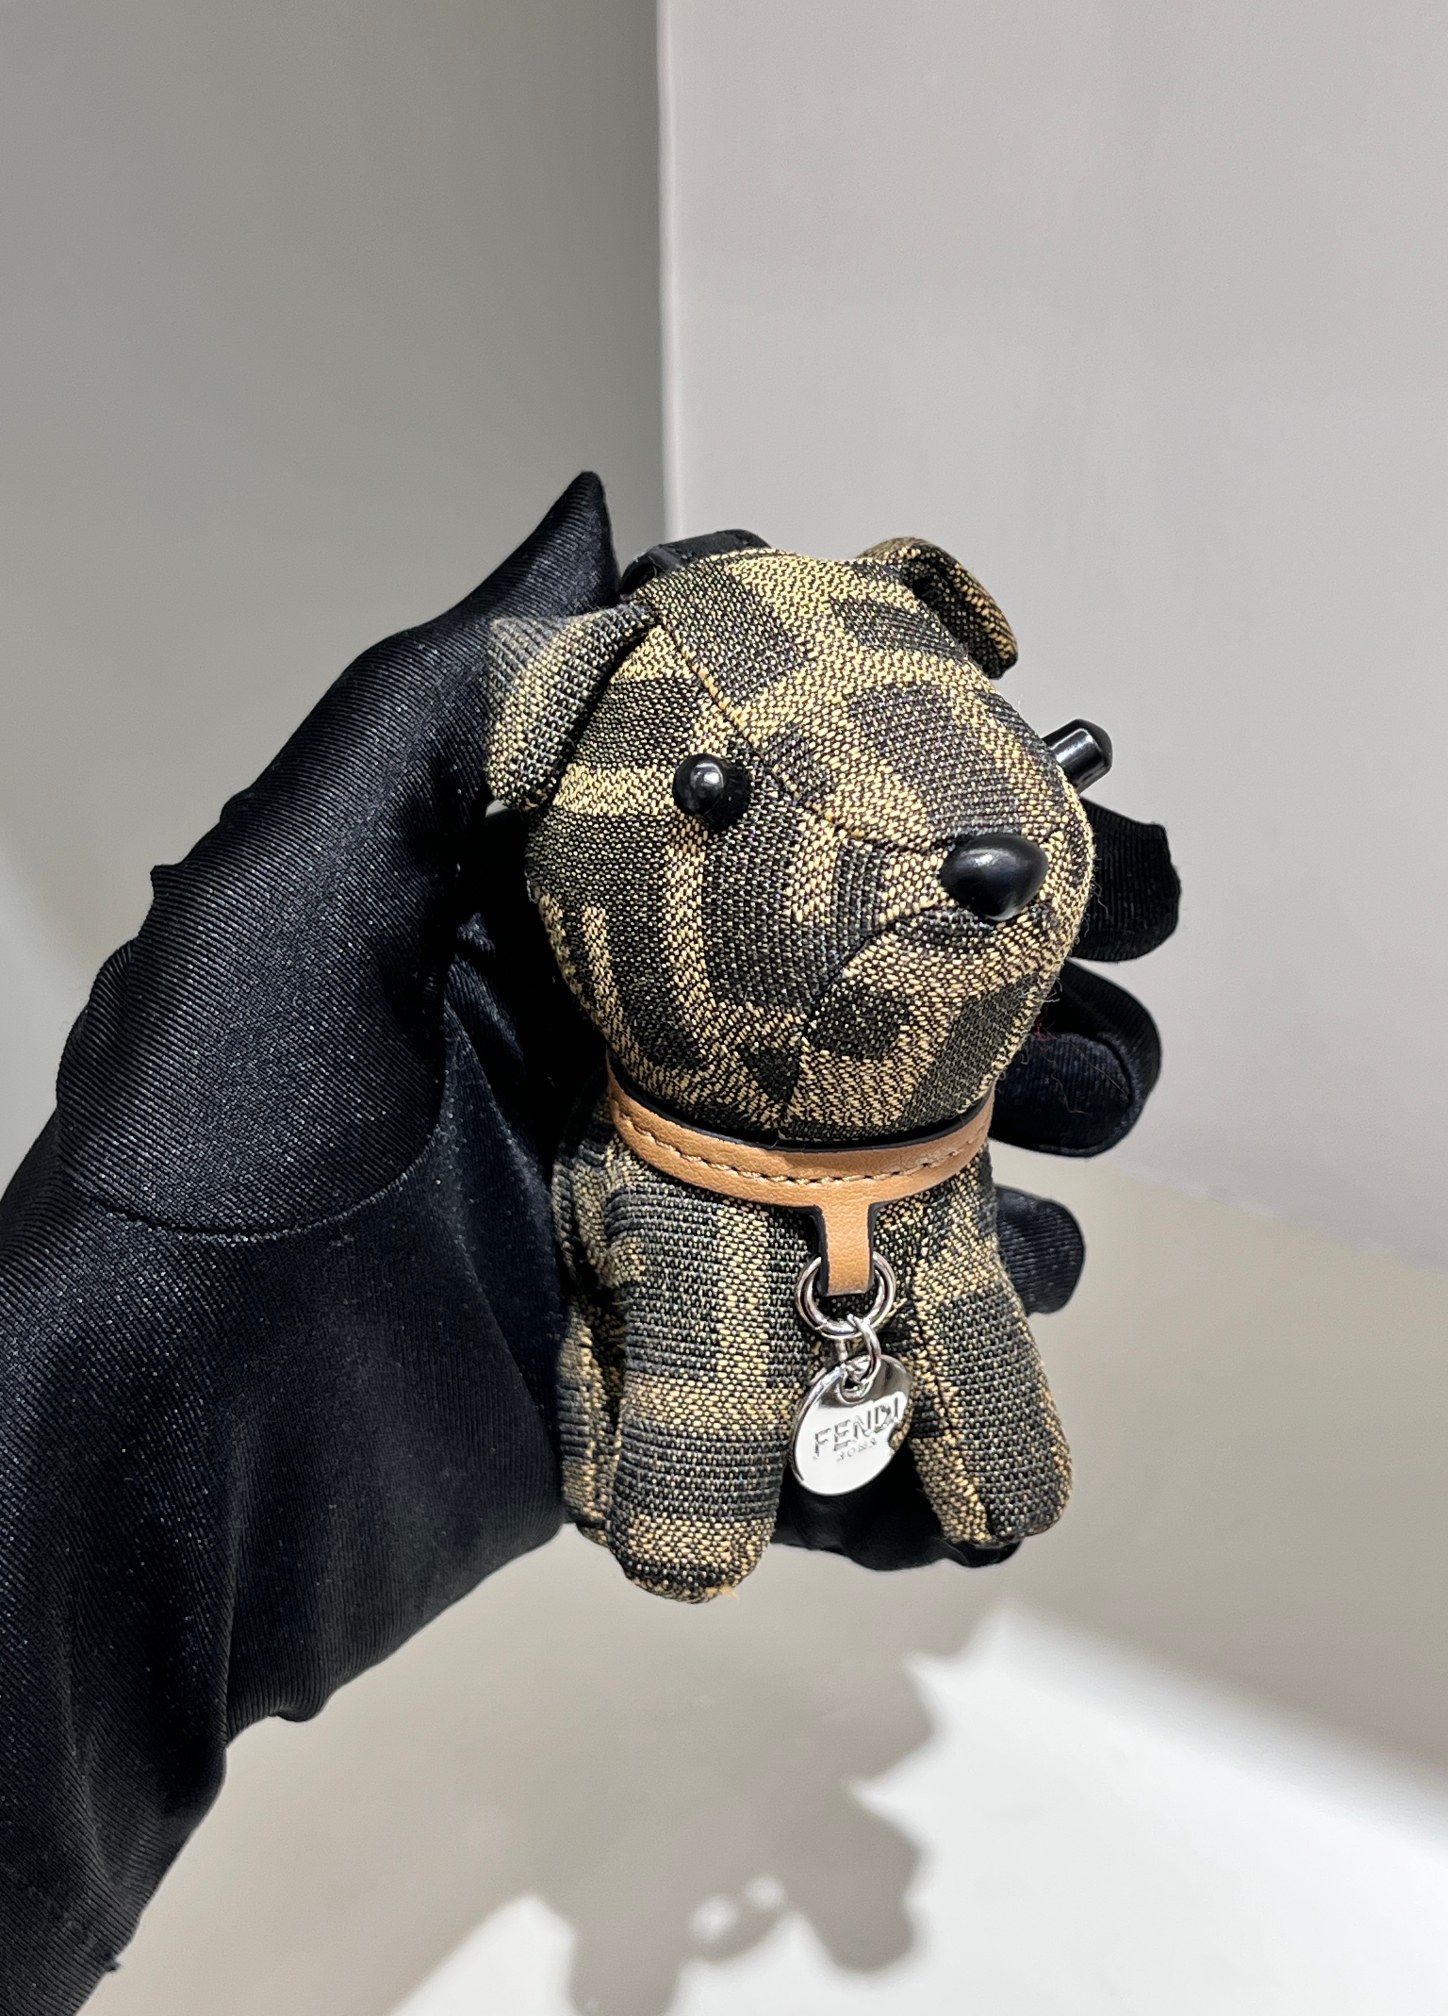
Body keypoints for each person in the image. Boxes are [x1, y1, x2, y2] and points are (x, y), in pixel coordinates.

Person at [0, 476, 1177, 2012]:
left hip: (919, 1178)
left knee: (968, 1347)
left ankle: (980, 1461)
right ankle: (692, 1501)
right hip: (684, 1189)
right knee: (692, 1367)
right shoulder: (574, 741)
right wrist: (128, 1343)